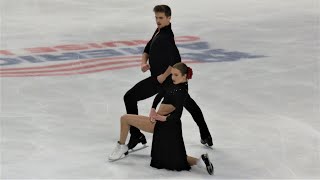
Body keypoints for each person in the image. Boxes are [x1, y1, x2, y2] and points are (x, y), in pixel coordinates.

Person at [123, 4, 213, 150]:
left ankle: (205, 134)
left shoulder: (167, 37)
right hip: (160, 80)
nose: (158, 20)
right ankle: (136, 135)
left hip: (170, 81)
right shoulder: (159, 31)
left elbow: (175, 62)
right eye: (156, 17)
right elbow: (147, 49)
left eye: (161, 18)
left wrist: (163, 76)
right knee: (130, 97)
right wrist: (143, 63)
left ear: (169, 18)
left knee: (188, 104)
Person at [109, 63, 214, 175]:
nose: (172, 77)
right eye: (172, 74)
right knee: (177, 159)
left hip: (164, 125)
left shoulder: (181, 93)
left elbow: (176, 116)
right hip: (169, 128)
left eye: (176, 75)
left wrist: (159, 117)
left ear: (184, 76)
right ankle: (200, 161)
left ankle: (121, 146)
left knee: (125, 119)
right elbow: (160, 94)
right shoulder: (174, 85)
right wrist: (153, 108)